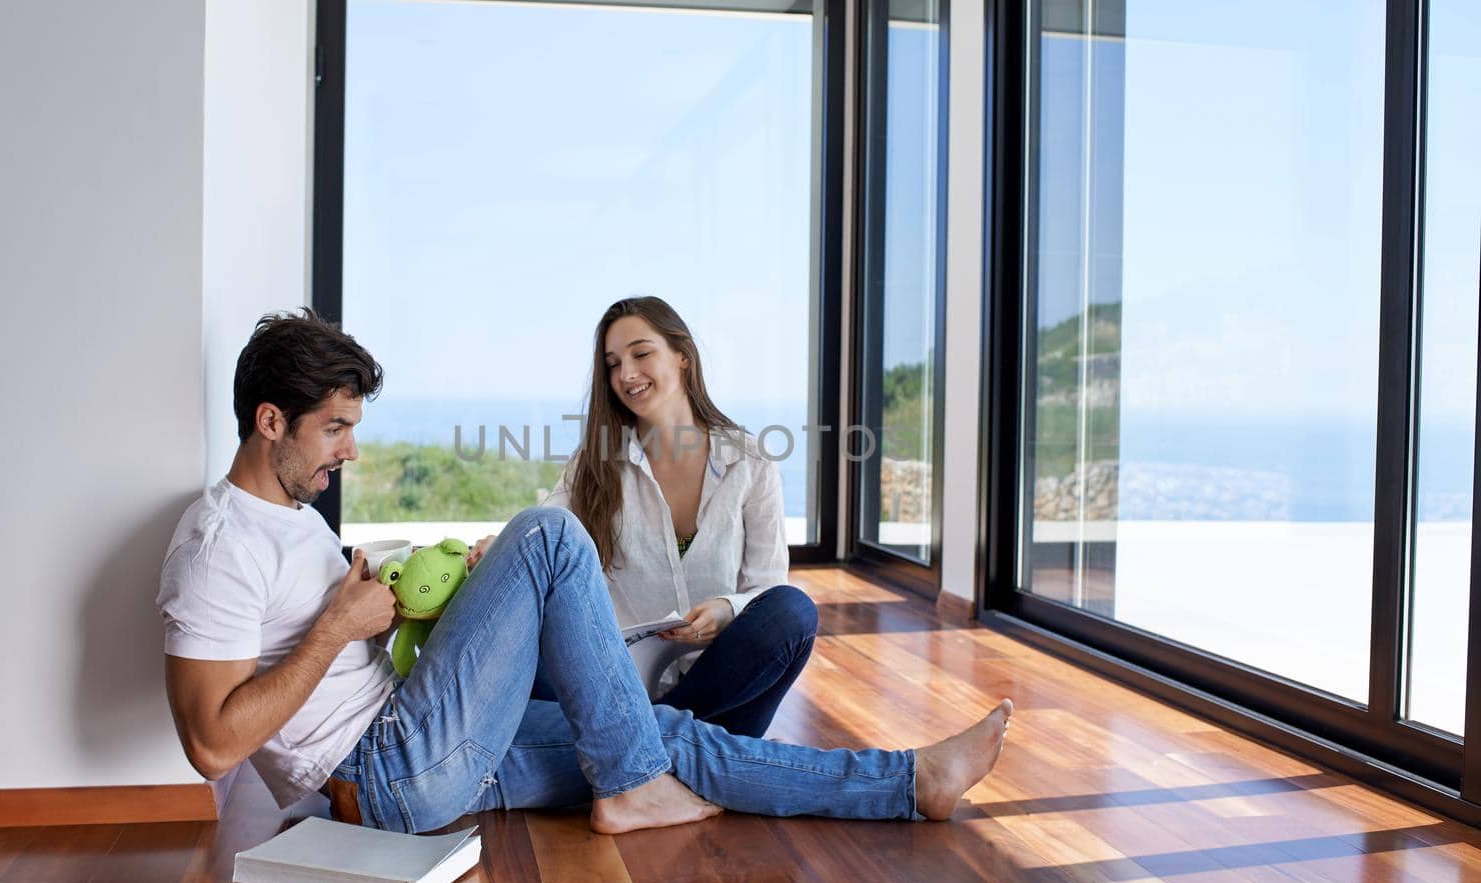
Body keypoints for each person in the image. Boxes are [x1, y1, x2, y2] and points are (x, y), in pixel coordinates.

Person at [160, 309, 1012, 835]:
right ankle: (633, 788)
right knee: (549, 535)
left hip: (424, 743)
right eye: (335, 428)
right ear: (271, 421)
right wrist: (335, 631)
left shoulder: (291, 518)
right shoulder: (217, 544)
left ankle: (911, 782)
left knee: (662, 735)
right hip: (386, 773)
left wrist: (408, 585)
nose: (350, 449)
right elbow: (211, 745)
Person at [484, 296, 817, 738]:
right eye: (613, 363)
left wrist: (726, 609)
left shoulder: (749, 462)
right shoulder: (595, 464)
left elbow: (766, 587)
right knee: (528, 648)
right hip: (616, 689)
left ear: (682, 356)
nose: (627, 374)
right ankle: (680, 752)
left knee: (793, 611)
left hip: (719, 689)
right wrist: (501, 546)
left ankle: (643, 745)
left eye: (641, 354)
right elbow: (547, 531)